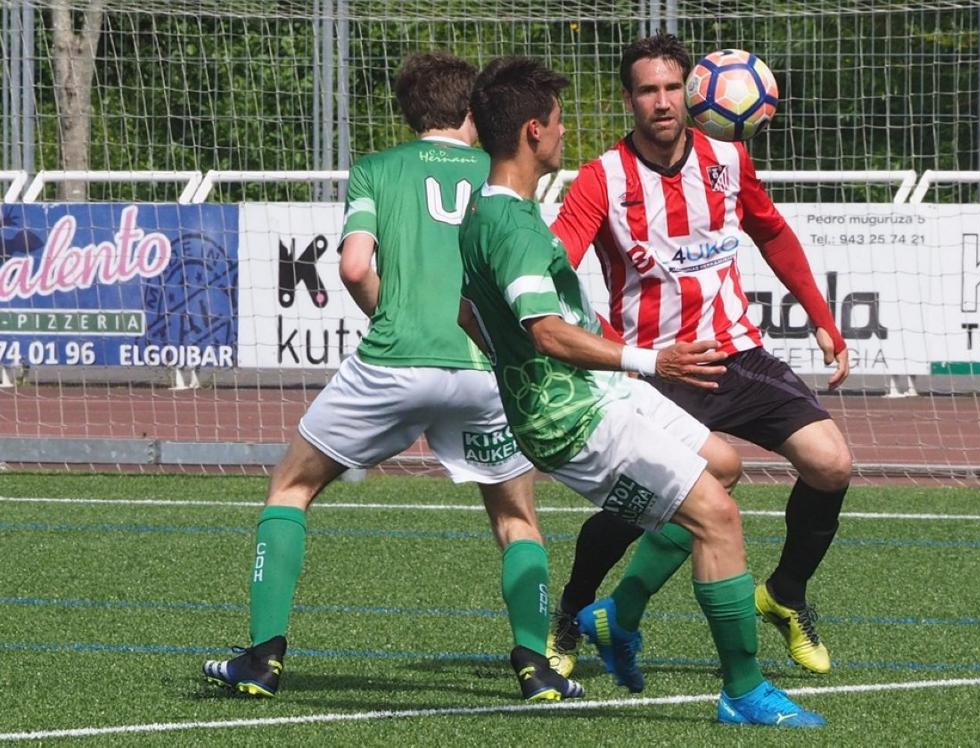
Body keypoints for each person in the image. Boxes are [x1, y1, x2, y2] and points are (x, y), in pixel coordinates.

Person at [202, 52, 583, 703]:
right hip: (483, 367)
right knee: (516, 519)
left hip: (394, 361)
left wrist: (398, 315)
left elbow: (354, 267)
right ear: (473, 112)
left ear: (410, 113)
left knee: (291, 486)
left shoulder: (376, 169)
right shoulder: (499, 170)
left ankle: (262, 659)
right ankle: (536, 668)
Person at [458, 55, 825, 727]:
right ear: (534, 131)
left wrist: (532, 364)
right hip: (575, 416)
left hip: (596, 389)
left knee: (723, 466)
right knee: (717, 518)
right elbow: (546, 333)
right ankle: (743, 691)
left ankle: (617, 617)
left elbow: (469, 312)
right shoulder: (513, 226)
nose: (565, 133)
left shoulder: (496, 210)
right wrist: (650, 359)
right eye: (559, 121)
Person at [545, 33, 853, 681]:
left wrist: (822, 320)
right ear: (628, 99)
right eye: (647, 90)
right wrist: (602, 346)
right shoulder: (603, 178)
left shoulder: (728, 158)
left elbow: (772, 231)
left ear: (692, 92)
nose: (661, 102)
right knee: (640, 504)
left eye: (670, 88)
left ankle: (786, 593)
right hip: (657, 370)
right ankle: (573, 611)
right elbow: (556, 267)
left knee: (831, 463)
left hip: (738, 354)